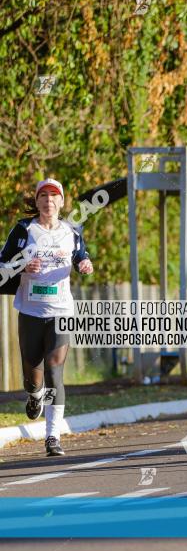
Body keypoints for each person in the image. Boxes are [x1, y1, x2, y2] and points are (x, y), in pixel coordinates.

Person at [0, 179, 93, 456]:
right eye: (44, 196)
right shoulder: (24, 230)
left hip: (61, 311)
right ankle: (34, 395)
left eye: (54, 197)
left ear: (62, 202)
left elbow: (81, 256)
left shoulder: (72, 231)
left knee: (54, 371)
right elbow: (2, 263)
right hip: (30, 311)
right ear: (38, 202)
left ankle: (52, 436)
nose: (49, 201)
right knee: (34, 378)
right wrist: (22, 265)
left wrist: (85, 264)